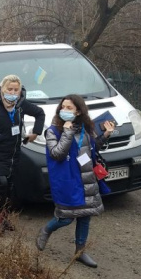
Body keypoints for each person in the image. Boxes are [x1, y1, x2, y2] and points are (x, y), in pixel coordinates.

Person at [35, 94, 115, 268]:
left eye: (69, 108)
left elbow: (92, 149)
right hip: (67, 180)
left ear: (78, 111)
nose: (65, 110)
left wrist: (106, 135)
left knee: (85, 216)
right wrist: (68, 132)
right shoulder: (53, 131)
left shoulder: (86, 129)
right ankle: (46, 229)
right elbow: (57, 154)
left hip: (86, 177)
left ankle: (80, 252)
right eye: (63, 107)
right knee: (65, 217)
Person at [0, 74, 45, 235]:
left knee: (10, 188)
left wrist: (36, 132)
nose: (12, 93)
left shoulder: (21, 105)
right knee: (2, 184)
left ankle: (4, 217)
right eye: (9, 89)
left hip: (13, 153)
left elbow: (40, 113)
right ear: (2, 89)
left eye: (16, 90)